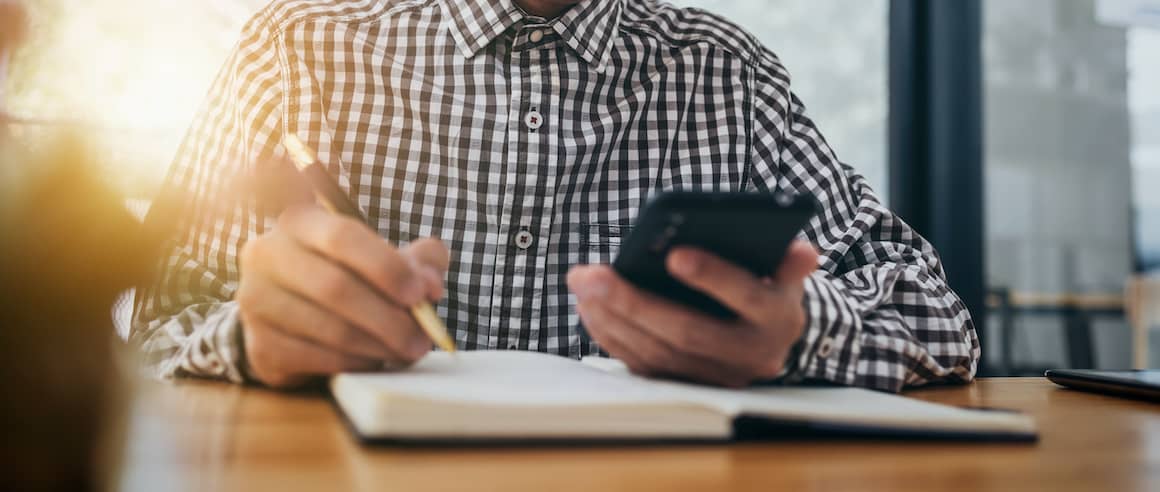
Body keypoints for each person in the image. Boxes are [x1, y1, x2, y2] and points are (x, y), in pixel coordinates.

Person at [132, 0, 979, 393]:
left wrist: (799, 334)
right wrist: (252, 339)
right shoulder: (296, 50)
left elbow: (940, 322)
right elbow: (149, 331)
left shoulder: (728, 72)